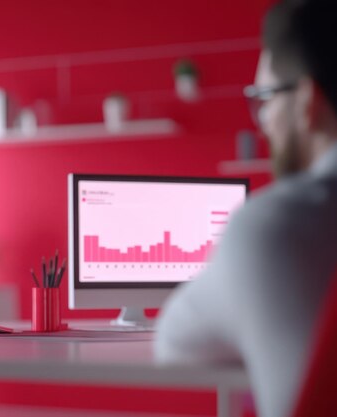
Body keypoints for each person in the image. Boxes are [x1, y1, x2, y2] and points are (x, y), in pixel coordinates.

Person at [154, 1, 337, 417]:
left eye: (265, 98)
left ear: (308, 100)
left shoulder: (277, 225)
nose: (264, 122)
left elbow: (174, 343)